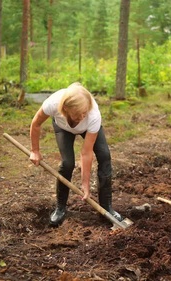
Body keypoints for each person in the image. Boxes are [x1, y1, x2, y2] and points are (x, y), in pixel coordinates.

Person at [29, 82, 123, 226]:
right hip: (63, 128)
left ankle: (107, 208)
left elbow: (86, 153)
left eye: (85, 112)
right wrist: (35, 150)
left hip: (88, 129)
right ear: (66, 108)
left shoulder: (93, 115)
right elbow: (36, 124)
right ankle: (60, 208)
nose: (83, 116)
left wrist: (85, 183)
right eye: (79, 114)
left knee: (104, 156)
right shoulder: (53, 103)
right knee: (67, 163)